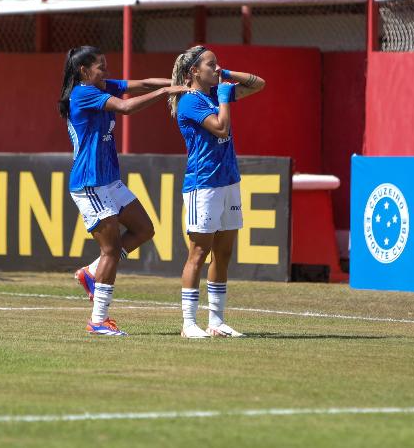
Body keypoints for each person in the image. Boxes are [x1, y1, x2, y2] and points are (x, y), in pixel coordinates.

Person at [59, 45, 187, 336]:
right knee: (112, 250)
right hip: (89, 183)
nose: (106, 70)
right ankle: (98, 321)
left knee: (144, 230)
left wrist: (177, 83)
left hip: (109, 180)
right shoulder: (84, 93)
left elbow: (140, 84)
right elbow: (127, 107)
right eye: (100, 66)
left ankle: (90, 272)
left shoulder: (102, 85)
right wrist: (168, 93)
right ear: (84, 71)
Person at [168, 45, 265, 338]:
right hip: (204, 185)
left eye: (217, 64)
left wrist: (228, 75)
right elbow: (221, 129)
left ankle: (217, 321)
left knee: (223, 253)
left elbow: (259, 84)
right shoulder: (189, 101)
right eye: (211, 65)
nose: (216, 68)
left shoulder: (214, 93)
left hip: (228, 181)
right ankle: (188, 324)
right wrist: (223, 96)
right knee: (199, 253)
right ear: (194, 72)